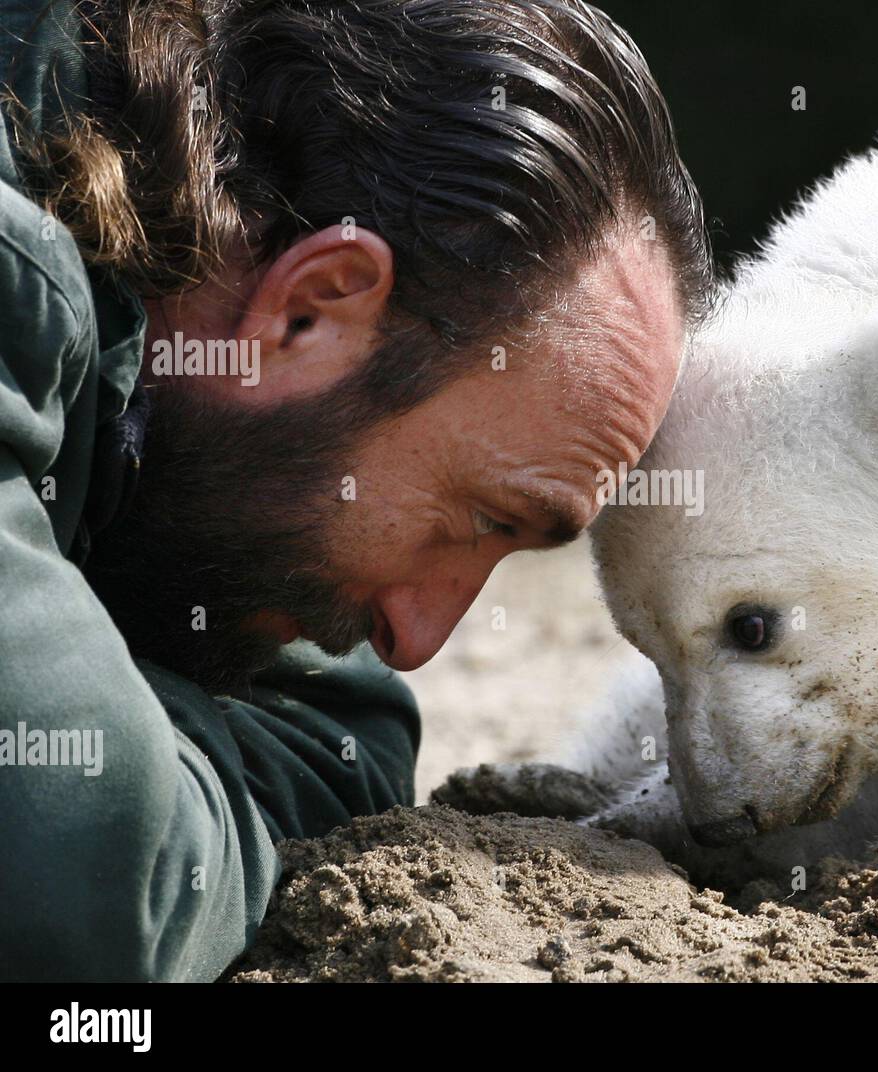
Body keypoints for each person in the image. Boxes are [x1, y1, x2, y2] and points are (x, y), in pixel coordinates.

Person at [0, 0, 709, 981]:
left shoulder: (206, 458)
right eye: (480, 520)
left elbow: (333, 751)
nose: (414, 638)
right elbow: (100, 885)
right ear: (312, 306)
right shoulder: (16, 268)